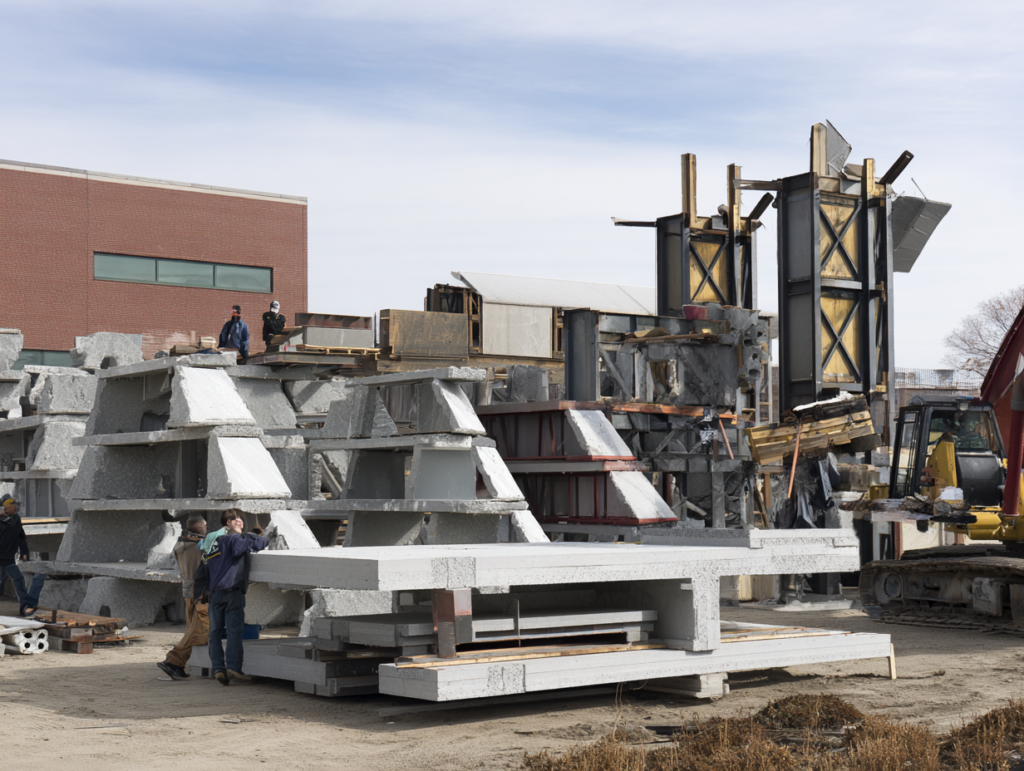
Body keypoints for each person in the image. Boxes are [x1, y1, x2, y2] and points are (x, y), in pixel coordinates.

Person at [200, 509, 267, 685]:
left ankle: (218, 669)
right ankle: (234, 668)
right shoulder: (235, 539)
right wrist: (261, 536)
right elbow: (257, 545)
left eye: (240, 519)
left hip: (214, 593)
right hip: (232, 592)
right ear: (227, 523)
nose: (239, 521)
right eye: (234, 519)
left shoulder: (213, 543)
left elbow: (203, 568)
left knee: (214, 633)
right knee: (233, 632)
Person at [157, 515, 209, 680]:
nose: (206, 528)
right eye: (205, 526)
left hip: (188, 591)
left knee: (193, 628)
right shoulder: (199, 546)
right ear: (200, 527)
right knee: (200, 629)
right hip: (199, 593)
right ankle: (173, 661)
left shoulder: (182, 544)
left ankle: (178, 664)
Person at [0, 495, 46, 617]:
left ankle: (25, 605)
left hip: (8, 557)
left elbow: (21, 536)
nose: (14, 507)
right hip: (2, 556)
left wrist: (24, 552)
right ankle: (25, 605)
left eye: (14, 505)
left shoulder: (15, 519)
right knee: (14, 579)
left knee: (17, 579)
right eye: (10, 505)